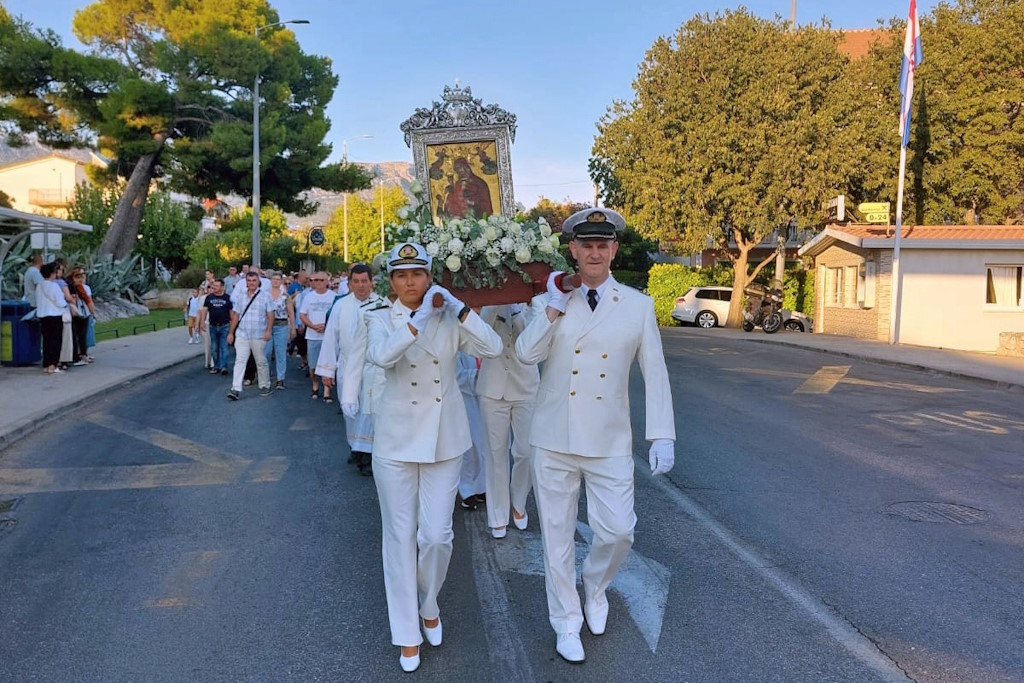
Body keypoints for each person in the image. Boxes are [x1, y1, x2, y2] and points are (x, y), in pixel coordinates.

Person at [515, 207, 676, 664]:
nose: (594, 252)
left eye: (602, 245)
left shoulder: (638, 306)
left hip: (608, 440)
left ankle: (596, 585)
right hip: (553, 437)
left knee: (618, 531)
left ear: (614, 250)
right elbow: (526, 356)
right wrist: (549, 306)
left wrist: (661, 434)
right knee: (557, 539)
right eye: (586, 244)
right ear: (573, 250)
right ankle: (566, 621)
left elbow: (656, 373)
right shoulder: (549, 300)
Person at [362, 242, 502, 672]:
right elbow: (381, 357)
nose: (410, 283)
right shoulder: (378, 320)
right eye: (401, 275)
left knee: (438, 536)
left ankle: (428, 601)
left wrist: (461, 311)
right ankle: (406, 634)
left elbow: (493, 348)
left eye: (418, 274)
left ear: (430, 277)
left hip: (444, 439)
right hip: (396, 443)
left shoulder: (447, 316)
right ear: (391, 281)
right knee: (399, 539)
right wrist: (416, 323)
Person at [477, 303, 539, 538]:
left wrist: (517, 311)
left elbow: (533, 343)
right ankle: (497, 515)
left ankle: (519, 503)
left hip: (526, 387)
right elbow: (481, 334)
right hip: (493, 388)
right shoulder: (492, 302)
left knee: (526, 451)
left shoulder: (536, 304)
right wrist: (496, 303)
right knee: (495, 453)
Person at [319, 263, 385, 476]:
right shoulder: (340, 306)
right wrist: (327, 371)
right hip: (348, 367)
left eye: (364, 281)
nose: (361, 286)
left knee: (370, 412)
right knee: (351, 412)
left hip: (374, 368)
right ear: (349, 283)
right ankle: (356, 448)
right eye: (356, 282)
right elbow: (331, 338)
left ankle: (368, 456)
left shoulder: (381, 304)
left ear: (371, 282)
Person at [226, 271, 274, 400]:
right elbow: (236, 315)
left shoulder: (265, 296)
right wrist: (231, 332)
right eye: (249, 280)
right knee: (240, 361)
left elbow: (270, 315)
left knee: (261, 361)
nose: (251, 283)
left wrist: (268, 331)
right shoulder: (241, 296)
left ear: (258, 281)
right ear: (246, 282)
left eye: (254, 280)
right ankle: (235, 388)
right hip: (242, 333)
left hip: (259, 334)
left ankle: (265, 385)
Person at [298, 271, 337, 402]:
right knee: (313, 365)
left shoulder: (334, 297)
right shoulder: (309, 297)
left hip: (328, 336)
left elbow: (337, 316)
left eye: (321, 280)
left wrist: (327, 327)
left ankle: (327, 389)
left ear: (327, 282)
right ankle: (315, 384)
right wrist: (313, 326)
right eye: (315, 280)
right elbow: (302, 315)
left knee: (328, 364)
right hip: (312, 335)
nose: (318, 282)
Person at [36, 262, 68, 375]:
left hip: (43, 316)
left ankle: (46, 364)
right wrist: (65, 305)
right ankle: (52, 365)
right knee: (56, 341)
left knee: (46, 341)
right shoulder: (54, 286)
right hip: (54, 316)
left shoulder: (39, 285)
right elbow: (60, 302)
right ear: (52, 274)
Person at [264, 272, 295, 389]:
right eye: (274, 279)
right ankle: (266, 375)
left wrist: (293, 328)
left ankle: (280, 378)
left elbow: (291, 312)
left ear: (281, 281)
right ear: (271, 281)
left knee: (280, 352)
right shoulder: (264, 294)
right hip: (267, 326)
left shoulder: (285, 296)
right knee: (266, 352)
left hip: (281, 325)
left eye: (278, 279)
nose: (276, 281)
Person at [199, 279, 232, 375]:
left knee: (224, 347)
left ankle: (223, 366)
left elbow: (231, 312)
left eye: (216, 286)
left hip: (224, 325)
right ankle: (216, 366)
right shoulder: (209, 298)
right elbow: (204, 310)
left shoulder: (227, 298)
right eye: (213, 286)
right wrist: (202, 322)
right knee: (214, 347)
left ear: (222, 287)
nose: (214, 288)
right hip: (213, 325)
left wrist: (232, 327)